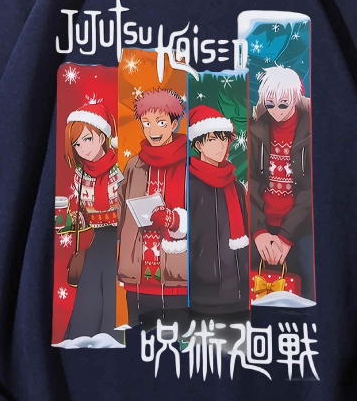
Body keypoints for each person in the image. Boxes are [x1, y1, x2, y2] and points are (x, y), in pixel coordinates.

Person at [116, 88, 188, 327]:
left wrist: (174, 220)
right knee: (138, 340)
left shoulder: (190, 164)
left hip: (178, 276)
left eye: (160, 122)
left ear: (174, 124)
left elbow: (204, 213)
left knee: (179, 341)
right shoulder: (134, 165)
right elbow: (120, 209)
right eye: (146, 123)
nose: (152, 130)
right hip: (138, 276)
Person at [248, 65, 314, 301]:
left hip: (301, 225)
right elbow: (250, 183)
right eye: (270, 104)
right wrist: (258, 231)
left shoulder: (311, 131)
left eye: (283, 104)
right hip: (261, 222)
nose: (276, 110)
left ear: (296, 97)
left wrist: (286, 236)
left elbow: (311, 190)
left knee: (309, 278)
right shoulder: (255, 130)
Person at [62, 98, 123, 340]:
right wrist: (72, 221)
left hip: (120, 239)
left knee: (112, 290)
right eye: (77, 144)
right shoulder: (81, 175)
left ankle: (111, 336)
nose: (83, 148)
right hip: (98, 240)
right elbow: (83, 214)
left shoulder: (120, 169)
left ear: (102, 136)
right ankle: (81, 338)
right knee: (89, 288)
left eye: (87, 139)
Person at [186, 105, 250, 319]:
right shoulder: (189, 185)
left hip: (239, 291)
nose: (221, 145)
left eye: (224, 139)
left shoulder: (236, 187)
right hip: (202, 293)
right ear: (198, 144)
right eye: (212, 139)